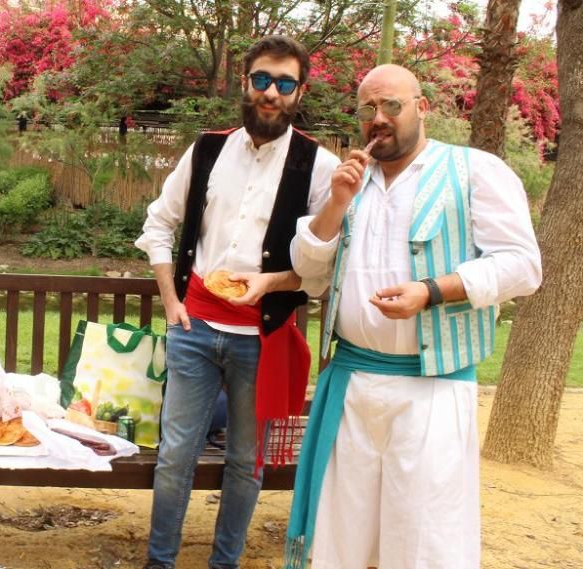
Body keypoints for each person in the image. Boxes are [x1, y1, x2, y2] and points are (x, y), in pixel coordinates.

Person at [285, 64, 542, 569]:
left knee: (425, 541)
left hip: (434, 390)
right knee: (341, 538)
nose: (378, 118)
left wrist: (431, 291)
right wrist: (336, 205)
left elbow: (523, 267)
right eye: (367, 109)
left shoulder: (475, 171)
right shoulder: (347, 181)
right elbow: (308, 273)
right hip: (352, 387)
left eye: (391, 106)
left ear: (422, 108)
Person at [134, 35, 339, 569]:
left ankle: (223, 563)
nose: (272, 92)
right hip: (194, 328)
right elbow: (159, 222)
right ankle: (160, 562)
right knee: (175, 455)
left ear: (300, 91)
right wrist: (171, 300)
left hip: (263, 338)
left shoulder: (319, 167)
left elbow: (322, 268)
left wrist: (270, 284)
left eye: (285, 83)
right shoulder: (206, 149)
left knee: (246, 461)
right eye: (262, 80)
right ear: (244, 83)